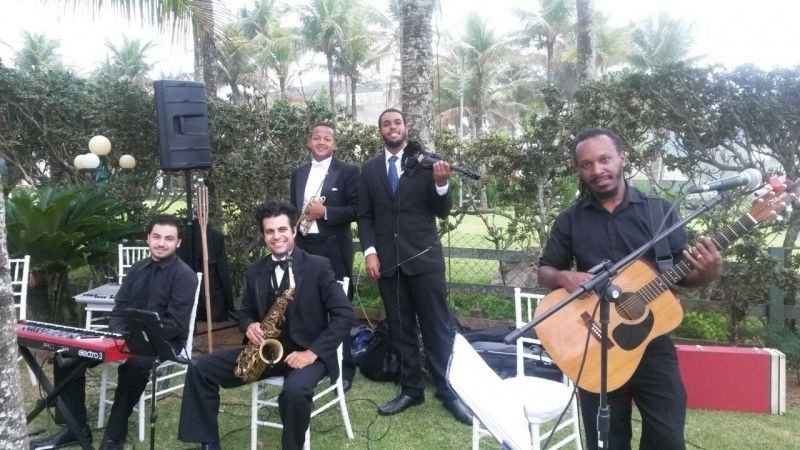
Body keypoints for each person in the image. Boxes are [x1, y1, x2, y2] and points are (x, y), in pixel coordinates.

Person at [537, 127, 723, 450]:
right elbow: (545, 271)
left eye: (605, 159)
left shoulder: (659, 211)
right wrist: (565, 278)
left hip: (652, 345)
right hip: (594, 347)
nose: (597, 170)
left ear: (622, 157)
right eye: (586, 165)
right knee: (606, 442)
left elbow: (678, 277)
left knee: (667, 439)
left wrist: (707, 273)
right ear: (579, 170)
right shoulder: (570, 219)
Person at [177, 200, 354, 450]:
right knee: (200, 368)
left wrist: (311, 353)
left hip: (308, 354)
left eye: (282, 229)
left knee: (295, 392)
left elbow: (344, 315)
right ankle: (208, 442)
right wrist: (248, 325)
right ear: (263, 236)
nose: (277, 236)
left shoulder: (318, 266)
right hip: (265, 352)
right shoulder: (254, 270)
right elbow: (245, 312)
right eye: (270, 231)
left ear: (294, 231)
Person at [30, 215, 198, 450]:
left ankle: (114, 437)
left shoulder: (184, 276)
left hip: (161, 343)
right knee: (66, 356)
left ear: (178, 243)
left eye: (168, 239)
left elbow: (176, 325)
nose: (161, 243)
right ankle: (75, 428)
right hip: (123, 338)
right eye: (156, 237)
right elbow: (119, 307)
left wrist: (138, 339)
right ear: (148, 238)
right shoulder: (137, 268)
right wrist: (119, 334)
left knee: (135, 366)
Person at [357, 108, 472, 424]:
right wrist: (370, 252)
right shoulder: (368, 170)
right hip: (388, 264)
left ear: (405, 128)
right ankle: (412, 388)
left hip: (424, 260)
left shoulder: (426, 162)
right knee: (400, 328)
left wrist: (440, 184)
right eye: (385, 123)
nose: (392, 127)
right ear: (380, 130)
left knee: (437, 328)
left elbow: (442, 211)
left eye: (397, 122)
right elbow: (365, 215)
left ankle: (448, 391)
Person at [289, 122, 359, 391]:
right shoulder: (298, 172)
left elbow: (356, 209)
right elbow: (293, 207)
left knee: (340, 305)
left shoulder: (348, 171)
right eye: (316, 138)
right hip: (304, 246)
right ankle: (309, 360)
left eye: (327, 138)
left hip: (333, 248)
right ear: (309, 142)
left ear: (334, 144)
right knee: (304, 305)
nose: (321, 142)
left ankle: (346, 367)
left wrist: (326, 213)